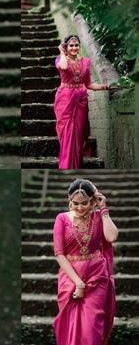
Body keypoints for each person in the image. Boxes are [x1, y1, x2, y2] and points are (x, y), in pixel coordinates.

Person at [53, 178, 118, 345]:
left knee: (92, 326)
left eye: (84, 203)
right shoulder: (62, 219)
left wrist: (103, 209)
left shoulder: (98, 217)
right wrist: (78, 284)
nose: (80, 208)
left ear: (92, 201)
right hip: (70, 278)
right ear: (69, 200)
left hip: (97, 275)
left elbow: (111, 237)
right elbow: (60, 254)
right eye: (75, 203)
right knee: (70, 325)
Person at [54, 34, 108, 169]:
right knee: (67, 133)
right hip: (65, 99)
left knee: (78, 135)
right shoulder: (60, 59)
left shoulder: (86, 62)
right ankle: (66, 165)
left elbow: (89, 84)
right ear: (66, 46)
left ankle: (76, 164)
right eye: (71, 45)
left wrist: (103, 86)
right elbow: (64, 68)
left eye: (76, 45)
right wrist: (61, 52)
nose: (74, 48)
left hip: (81, 100)